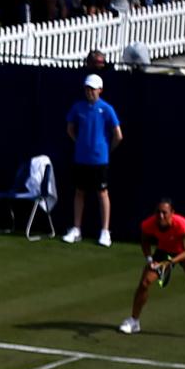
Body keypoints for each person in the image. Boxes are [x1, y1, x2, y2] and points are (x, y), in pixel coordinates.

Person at [120, 198, 185, 344]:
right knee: (144, 283)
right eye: (158, 212)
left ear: (172, 213)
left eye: (164, 213)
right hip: (164, 249)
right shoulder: (149, 224)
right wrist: (150, 260)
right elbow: (145, 242)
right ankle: (134, 321)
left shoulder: (181, 224)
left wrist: (168, 263)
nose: (161, 216)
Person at [61, 74, 121, 246]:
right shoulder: (78, 107)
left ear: (100, 90)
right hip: (81, 158)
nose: (89, 92)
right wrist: (79, 142)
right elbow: (70, 128)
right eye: (87, 88)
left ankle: (105, 231)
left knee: (102, 193)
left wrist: (107, 150)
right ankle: (77, 229)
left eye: (93, 89)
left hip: (99, 160)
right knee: (79, 191)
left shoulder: (107, 109)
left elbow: (118, 135)